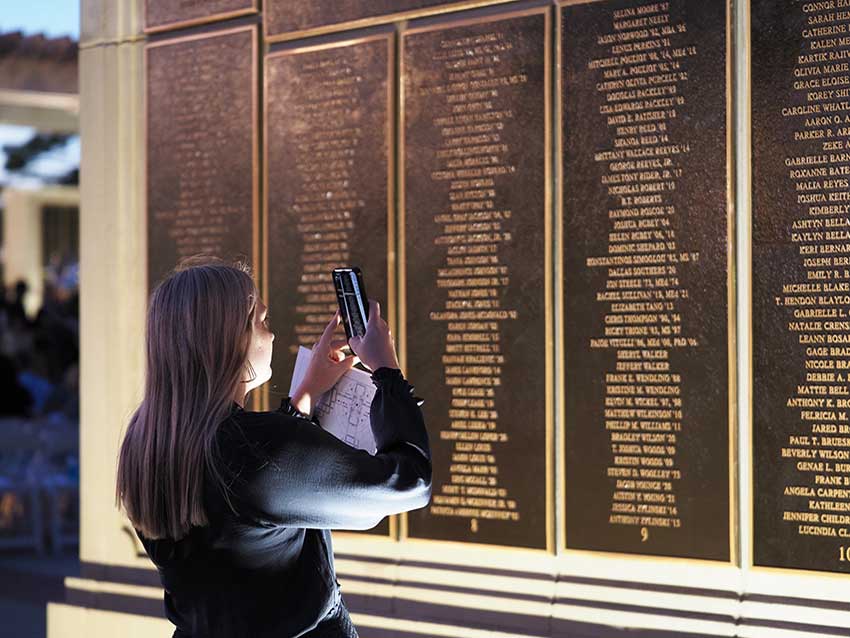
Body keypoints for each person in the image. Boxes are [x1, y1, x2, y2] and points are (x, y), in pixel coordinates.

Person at [115, 258, 432, 638]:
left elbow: (247, 511)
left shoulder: (145, 443)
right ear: (230, 338)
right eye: (261, 322)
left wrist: (306, 395)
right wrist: (386, 371)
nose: (272, 335)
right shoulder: (254, 450)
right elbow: (409, 483)